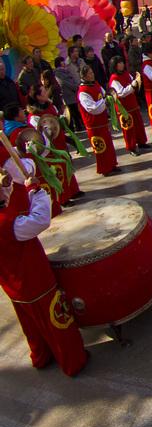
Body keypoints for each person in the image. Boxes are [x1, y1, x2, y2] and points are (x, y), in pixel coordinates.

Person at [0, 160, 88, 377]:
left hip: (12, 284)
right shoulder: (7, 223)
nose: (7, 192)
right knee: (56, 320)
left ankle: (41, 357)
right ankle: (73, 361)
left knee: (31, 324)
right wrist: (35, 191)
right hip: (33, 280)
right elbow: (39, 221)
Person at [77, 65, 120, 176]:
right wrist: (105, 101)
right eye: (90, 73)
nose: (92, 75)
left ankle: (112, 164)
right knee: (101, 148)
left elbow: (104, 94)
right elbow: (92, 108)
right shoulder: (83, 92)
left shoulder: (95, 84)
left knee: (108, 145)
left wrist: (109, 97)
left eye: (92, 72)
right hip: (94, 125)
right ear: (84, 76)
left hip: (102, 122)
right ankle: (104, 168)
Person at [108, 56, 150, 157]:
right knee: (128, 128)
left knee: (138, 124)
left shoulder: (126, 74)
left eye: (122, 62)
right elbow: (121, 93)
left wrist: (136, 82)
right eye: (119, 63)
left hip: (133, 104)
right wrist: (132, 86)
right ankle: (131, 147)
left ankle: (141, 142)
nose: (122, 64)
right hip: (124, 108)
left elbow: (133, 81)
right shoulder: (114, 79)